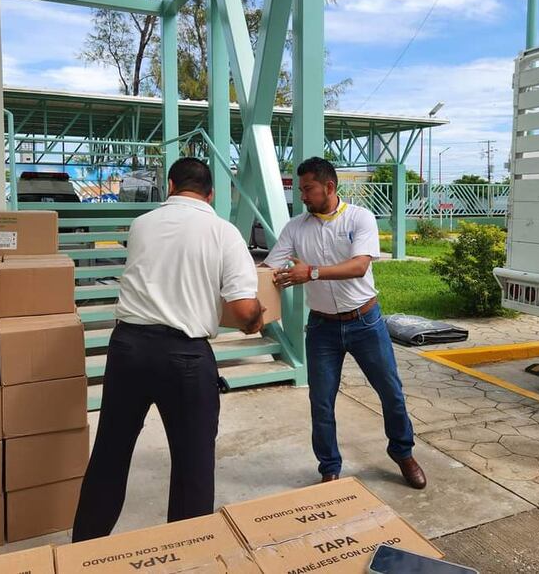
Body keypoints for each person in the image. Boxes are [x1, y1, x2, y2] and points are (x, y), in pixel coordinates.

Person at [72, 158, 264, 541]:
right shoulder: (223, 232)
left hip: (127, 349)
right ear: (211, 194)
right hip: (185, 359)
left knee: (110, 455)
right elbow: (244, 310)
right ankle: (185, 557)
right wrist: (257, 317)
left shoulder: (141, 225)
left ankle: (83, 554)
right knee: (192, 467)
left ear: (171, 186)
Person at [263, 157, 426, 489]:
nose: (303, 197)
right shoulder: (296, 227)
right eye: (301, 190)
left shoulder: (359, 218)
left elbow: (359, 266)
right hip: (322, 329)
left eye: (308, 189)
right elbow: (270, 268)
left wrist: (311, 272)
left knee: (391, 392)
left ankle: (403, 453)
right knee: (321, 401)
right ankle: (329, 467)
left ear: (329, 187)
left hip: (365, 322)